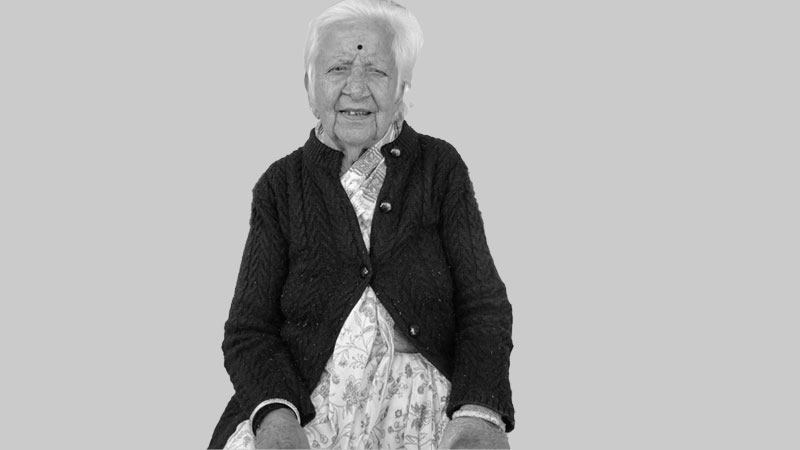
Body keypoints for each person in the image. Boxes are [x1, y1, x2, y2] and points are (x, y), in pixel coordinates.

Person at [208, 1, 514, 448]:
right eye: (337, 69)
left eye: (376, 71)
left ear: (402, 88)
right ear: (310, 88)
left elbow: (484, 307)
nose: (355, 88)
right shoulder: (281, 185)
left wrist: (477, 414)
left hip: (425, 404)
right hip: (304, 403)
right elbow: (248, 329)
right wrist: (277, 416)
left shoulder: (439, 168)